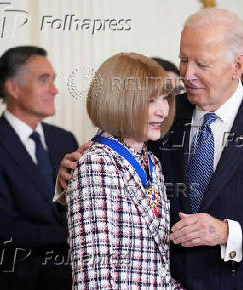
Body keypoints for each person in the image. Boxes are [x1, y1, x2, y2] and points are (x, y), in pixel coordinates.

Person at [58, 8, 243, 290]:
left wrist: (226, 233)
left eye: (202, 64)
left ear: (237, 65)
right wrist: (69, 184)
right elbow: (112, 202)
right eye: (183, 60)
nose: (187, 75)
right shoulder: (158, 116)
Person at [64, 53, 183, 289]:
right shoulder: (96, 163)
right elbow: (94, 276)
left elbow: (155, 264)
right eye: (151, 101)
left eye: (165, 98)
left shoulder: (152, 163)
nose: (163, 110)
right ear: (120, 100)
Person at [0, 46, 77, 290]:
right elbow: (2, 231)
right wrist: (74, 235)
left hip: (70, 265)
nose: (54, 89)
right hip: (17, 272)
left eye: (54, 80)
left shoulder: (64, 140)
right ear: (13, 88)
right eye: (43, 80)